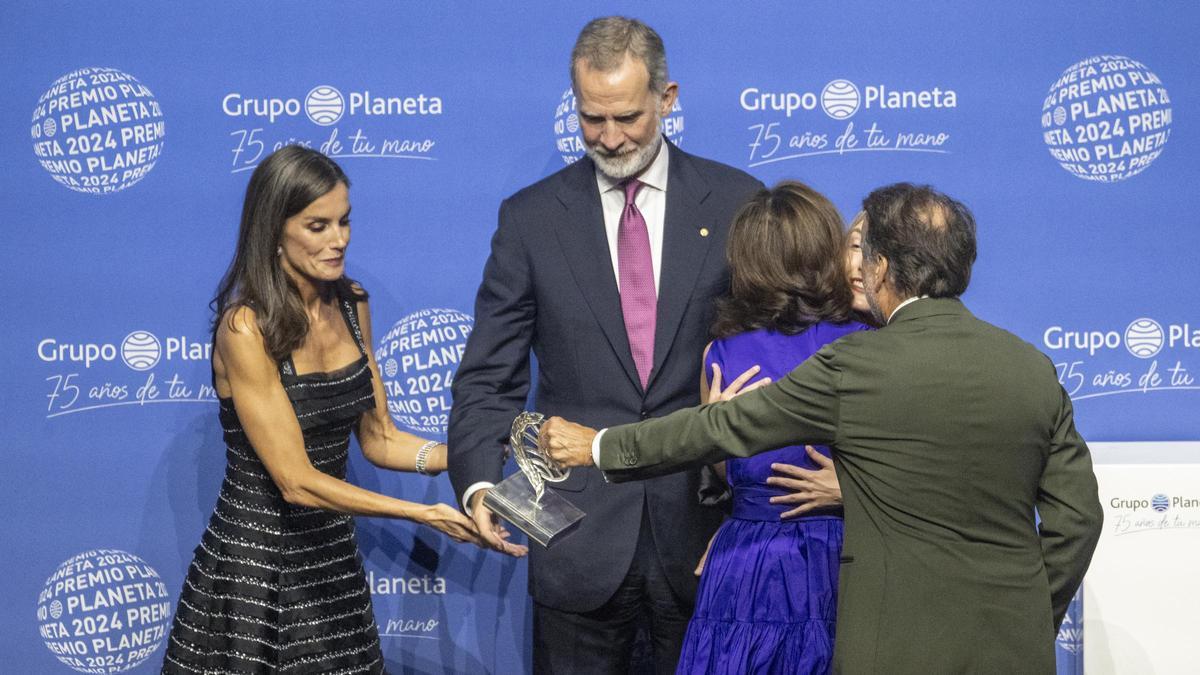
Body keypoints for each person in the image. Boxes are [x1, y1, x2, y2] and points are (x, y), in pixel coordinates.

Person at [541, 183, 1104, 674]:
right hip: (1009, 649)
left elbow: (729, 428)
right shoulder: (1032, 367)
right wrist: (1026, 613)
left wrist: (597, 445)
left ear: (880, 268)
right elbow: (1078, 521)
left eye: (864, 254)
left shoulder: (860, 366)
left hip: (888, 645)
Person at [447, 16, 762, 673]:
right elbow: (487, 380)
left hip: (708, 537)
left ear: (667, 99)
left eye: (627, 117)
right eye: (592, 119)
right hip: (575, 543)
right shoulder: (530, 219)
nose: (610, 138)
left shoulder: (738, 204)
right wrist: (478, 484)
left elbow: (777, 362)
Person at [162, 146, 482, 674]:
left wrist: (470, 455)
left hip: (333, 562)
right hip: (256, 568)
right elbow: (295, 481)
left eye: (344, 221)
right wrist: (418, 512)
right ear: (274, 230)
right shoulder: (247, 328)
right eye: (318, 225)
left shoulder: (353, 304)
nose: (339, 240)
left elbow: (379, 438)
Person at [677, 182, 870, 674]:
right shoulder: (871, 346)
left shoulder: (720, 354)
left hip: (745, 561)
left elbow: (724, 471)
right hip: (840, 557)